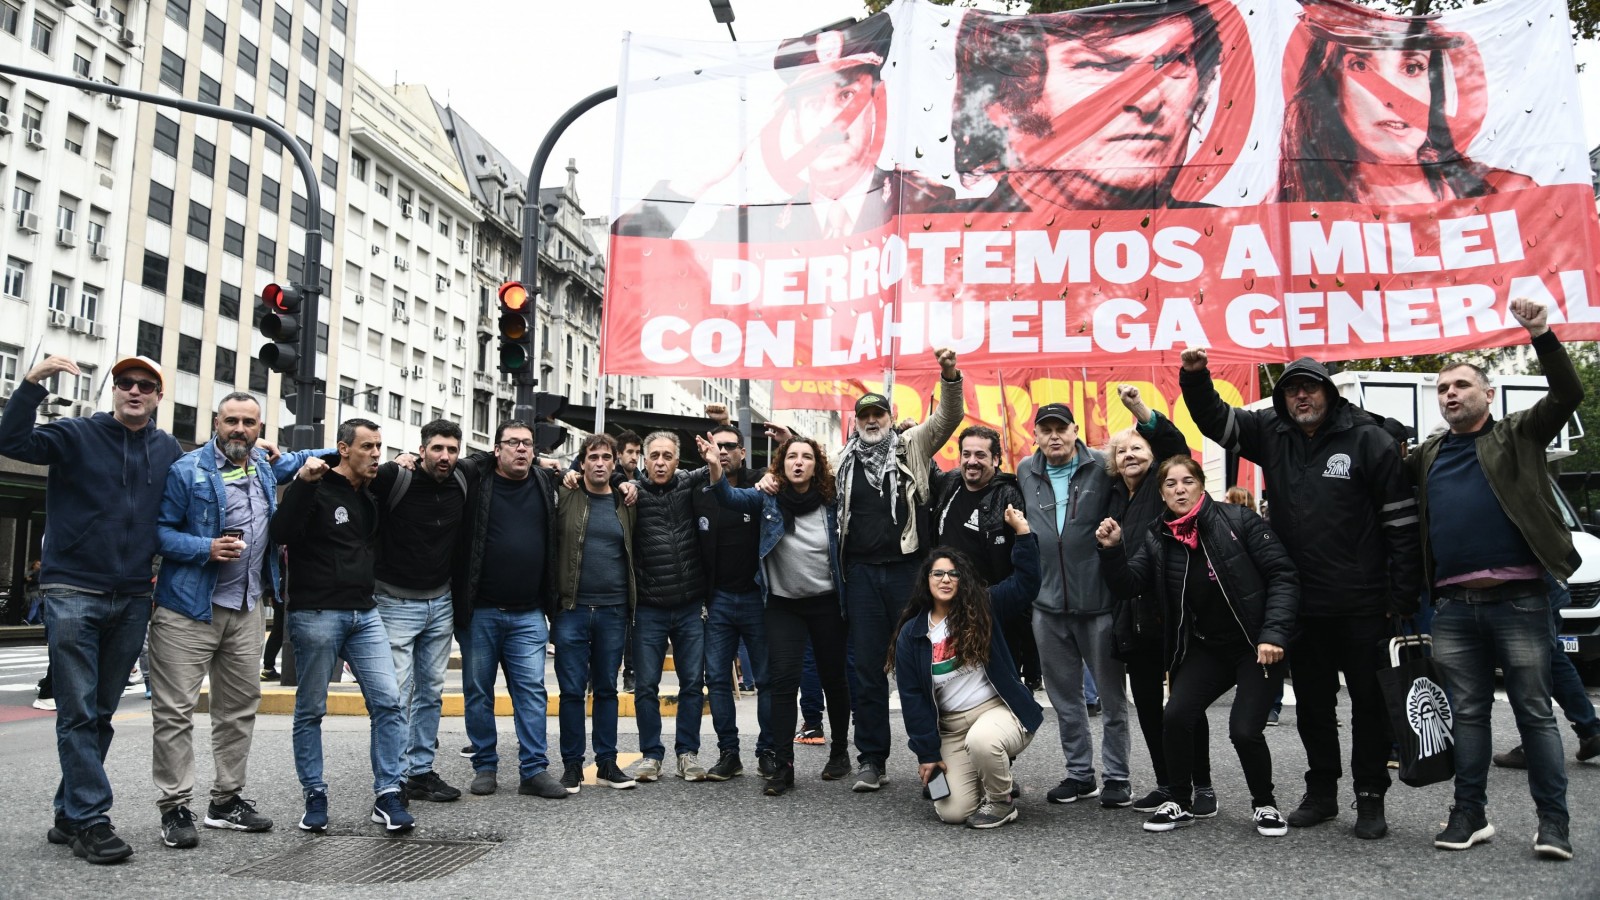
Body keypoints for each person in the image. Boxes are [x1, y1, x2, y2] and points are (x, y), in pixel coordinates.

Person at [1181, 347, 1421, 840]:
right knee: (1313, 704)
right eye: (1291, 388)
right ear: (1282, 397)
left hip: (1363, 602)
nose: (1301, 396)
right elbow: (1213, 419)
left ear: (1329, 393)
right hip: (1302, 604)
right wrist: (1195, 374)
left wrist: (1401, 595)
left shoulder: (1369, 440)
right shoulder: (1273, 433)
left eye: (1310, 387)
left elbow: (1401, 522)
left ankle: (1371, 796)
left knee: (1369, 705)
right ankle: (1323, 793)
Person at [1407, 298, 1578, 860]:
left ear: (1488, 394)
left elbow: (1567, 395)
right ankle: (1469, 815)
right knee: (1468, 714)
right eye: (1442, 389)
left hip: (1522, 600)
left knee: (1533, 713)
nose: (1450, 394)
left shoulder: (1517, 435)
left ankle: (1554, 825)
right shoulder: (1429, 453)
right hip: (1454, 607)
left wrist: (1542, 334)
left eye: (1460, 385)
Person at [0, 354, 180, 864]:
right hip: (73, 589)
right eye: (125, 382)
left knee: (101, 712)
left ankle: (68, 813)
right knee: (78, 710)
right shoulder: (76, 435)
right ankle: (92, 819)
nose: (135, 390)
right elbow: (11, 442)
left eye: (146, 385)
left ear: (158, 397)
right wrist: (31, 385)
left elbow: (214, 472)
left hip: (133, 594)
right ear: (114, 390)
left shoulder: (166, 448)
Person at [149, 393, 330, 849]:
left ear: (259, 428)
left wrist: (382, 453)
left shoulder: (265, 466)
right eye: (231, 420)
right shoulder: (186, 470)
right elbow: (160, 532)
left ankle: (226, 801)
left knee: (238, 711)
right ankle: (174, 808)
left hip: (248, 608)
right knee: (174, 712)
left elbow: (315, 455)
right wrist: (205, 548)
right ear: (216, 422)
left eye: (249, 423)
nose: (239, 429)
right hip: (189, 609)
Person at [1096, 457, 1298, 836]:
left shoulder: (1239, 521)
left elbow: (1283, 575)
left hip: (1254, 645)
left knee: (1243, 730)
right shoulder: (1159, 536)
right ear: (1162, 493)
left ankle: (1265, 804)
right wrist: (1111, 550)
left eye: (1187, 481)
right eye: (1170, 484)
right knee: (1176, 716)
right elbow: (1129, 584)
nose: (1179, 489)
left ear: (1201, 486)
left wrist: (1273, 634)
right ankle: (1179, 801)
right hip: (1207, 647)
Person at [268, 419, 413, 835]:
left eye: (380, 447)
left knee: (388, 701)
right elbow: (282, 532)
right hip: (316, 614)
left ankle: (387, 794)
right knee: (311, 709)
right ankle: (314, 794)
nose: (376, 454)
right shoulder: (315, 485)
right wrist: (304, 484)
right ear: (343, 449)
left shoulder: (366, 495)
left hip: (364, 615)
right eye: (368, 447)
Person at [831, 348, 964, 792]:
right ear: (856, 421)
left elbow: (948, 418)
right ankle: (872, 759)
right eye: (864, 415)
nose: (872, 421)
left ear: (890, 417)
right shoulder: (841, 462)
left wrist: (948, 375)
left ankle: (938, 760)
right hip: (863, 577)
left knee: (923, 666)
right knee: (867, 670)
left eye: (878, 414)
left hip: (909, 572)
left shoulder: (912, 445)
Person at [950, 1, 1222, 211]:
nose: (1149, 100)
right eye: (1100, 65)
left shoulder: (1235, 244)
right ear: (1004, 102)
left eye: (1173, 63)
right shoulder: (942, 248)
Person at [705, 434, 852, 796]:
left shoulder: (832, 500)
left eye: (806, 457)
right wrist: (713, 466)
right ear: (781, 465)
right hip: (784, 604)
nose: (798, 462)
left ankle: (839, 752)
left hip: (827, 602)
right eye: (791, 457)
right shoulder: (766, 496)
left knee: (834, 679)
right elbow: (728, 497)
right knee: (784, 684)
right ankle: (784, 766)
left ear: (817, 466)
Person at [1278, 0, 1535, 205]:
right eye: (1361, 66)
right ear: (1330, 87)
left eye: (1412, 68)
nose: (1392, 98)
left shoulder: (1508, 194)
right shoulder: (1291, 210)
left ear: (1435, 88)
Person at [1101, 385, 1216, 817]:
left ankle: (1201, 785)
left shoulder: (1160, 483)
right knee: (1147, 703)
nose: (1129, 455)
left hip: (1176, 609)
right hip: (1134, 614)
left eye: (1137, 447)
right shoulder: (1114, 495)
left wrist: (1138, 410)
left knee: (1184, 704)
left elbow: (1174, 445)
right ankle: (1169, 784)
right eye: (1122, 451)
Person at [890, 509, 1042, 829]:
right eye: (938, 574)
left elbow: (1026, 584)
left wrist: (1024, 533)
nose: (946, 579)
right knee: (952, 812)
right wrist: (927, 755)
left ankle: (1001, 802)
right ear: (926, 580)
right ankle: (984, 778)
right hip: (952, 729)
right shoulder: (912, 635)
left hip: (998, 710)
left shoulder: (984, 605)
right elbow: (914, 700)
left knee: (984, 741)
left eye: (953, 574)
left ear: (962, 579)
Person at [1016, 401, 1134, 809]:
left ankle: (1118, 777)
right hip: (1047, 606)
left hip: (1098, 603)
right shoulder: (1025, 471)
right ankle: (1080, 776)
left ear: (1074, 430)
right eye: (1045, 429)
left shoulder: (1103, 466)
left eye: (1060, 428)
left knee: (1112, 698)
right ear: (1035, 435)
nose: (1053, 436)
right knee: (1066, 700)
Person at [447, 421, 566, 800]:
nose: (521, 450)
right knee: (478, 691)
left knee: (531, 691)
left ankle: (534, 770)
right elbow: (459, 462)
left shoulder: (546, 483)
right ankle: (485, 765)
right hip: (480, 610)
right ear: (496, 450)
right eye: (512, 443)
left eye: (527, 444)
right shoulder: (477, 478)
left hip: (529, 613)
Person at [368, 420, 469, 804]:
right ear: (421, 449)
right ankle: (391, 780)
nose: (445, 456)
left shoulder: (462, 478)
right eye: (437, 449)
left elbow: (507, 460)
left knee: (431, 692)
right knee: (395, 696)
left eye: (452, 450)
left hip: (440, 602)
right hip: (394, 602)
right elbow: (350, 468)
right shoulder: (397, 475)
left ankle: (420, 773)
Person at [615, 431, 713, 784]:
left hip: (689, 608)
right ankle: (651, 756)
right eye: (653, 455)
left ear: (677, 459)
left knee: (692, 685)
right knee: (645, 686)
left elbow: (721, 465)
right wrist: (618, 480)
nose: (660, 462)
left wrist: (721, 428)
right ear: (643, 458)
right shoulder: (631, 493)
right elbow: (596, 474)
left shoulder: (689, 484)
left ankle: (687, 754)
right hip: (650, 610)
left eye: (667, 456)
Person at [553, 434, 639, 792]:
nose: (600, 463)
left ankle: (607, 761)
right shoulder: (566, 496)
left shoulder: (626, 501)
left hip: (613, 610)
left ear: (615, 463)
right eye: (593, 457)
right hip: (571, 608)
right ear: (583, 462)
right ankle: (572, 765)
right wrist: (562, 476)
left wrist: (632, 485)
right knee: (572, 691)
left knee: (607, 689)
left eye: (607, 457)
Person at [696, 424, 777, 781]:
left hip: (756, 598)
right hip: (718, 601)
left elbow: (787, 473)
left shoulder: (760, 484)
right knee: (716, 679)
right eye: (717, 446)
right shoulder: (697, 487)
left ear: (743, 452)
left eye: (730, 446)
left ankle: (768, 750)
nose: (723, 451)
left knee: (766, 679)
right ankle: (729, 753)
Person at [1492, 578, 1600, 768]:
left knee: (1530, 663)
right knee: (1552, 658)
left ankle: (1537, 744)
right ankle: (1589, 730)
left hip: (1527, 591)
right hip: (1543, 587)